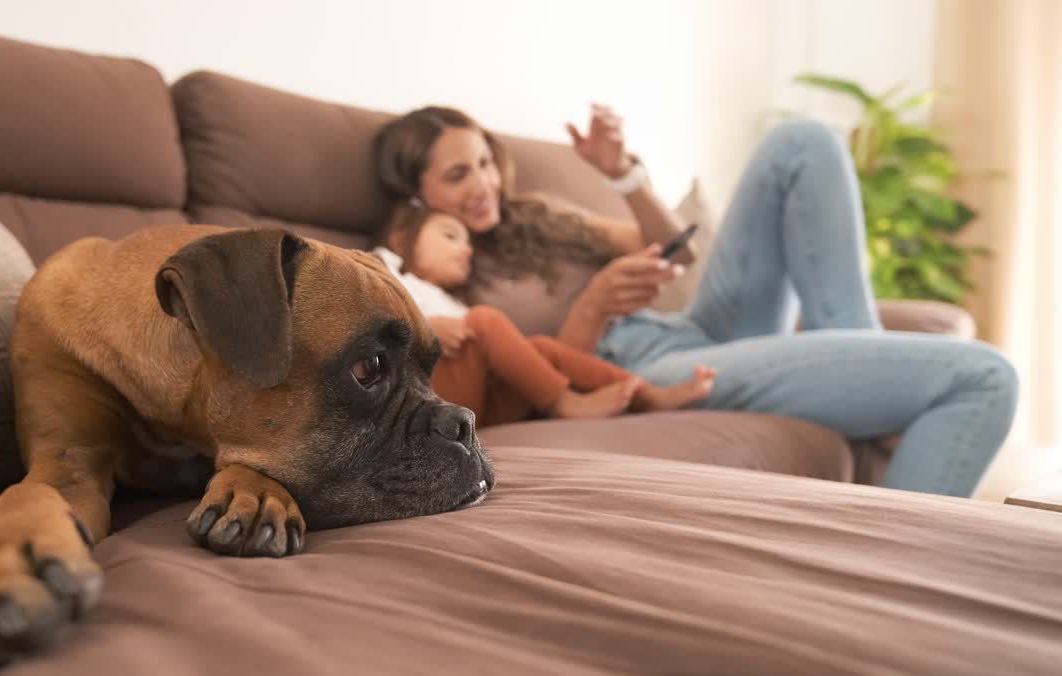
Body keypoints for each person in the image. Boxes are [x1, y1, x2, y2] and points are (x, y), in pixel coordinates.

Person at [371, 104, 1019, 498]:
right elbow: (534, 375)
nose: (484, 184)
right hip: (636, 370)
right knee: (982, 377)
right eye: (458, 175)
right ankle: (895, 545)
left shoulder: (535, 216)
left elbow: (670, 250)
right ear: (418, 193)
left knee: (802, 143)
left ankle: (872, 385)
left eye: (485, 162)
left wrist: (623, 174)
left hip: (681, 328)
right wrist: (593, 306)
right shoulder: (432, 263)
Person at [374, 201, 717, 427]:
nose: (465, 250)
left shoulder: (451, 300)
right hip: (426, 394)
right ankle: (564, 403)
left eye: (467, 244)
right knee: (485, 320)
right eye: (450, 236)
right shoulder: (385, 269)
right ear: (403, 239)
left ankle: (645, 394)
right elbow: (370, 321)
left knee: (541, 347)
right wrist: (426, 326)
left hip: (478, 403)